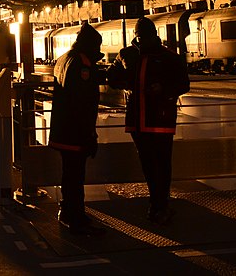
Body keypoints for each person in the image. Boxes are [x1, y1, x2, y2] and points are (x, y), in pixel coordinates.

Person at [106, 16, 190, 225]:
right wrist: (129, 83)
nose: (141, 40)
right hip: (143, 120)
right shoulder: (130, 55)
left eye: (144, 36)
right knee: (153, 164)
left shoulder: (167, 57)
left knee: (159, 164)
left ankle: (159, 205)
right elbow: (112, 78)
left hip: (155, 120)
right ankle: (159, 205)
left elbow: (183, 84)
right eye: (139, 37)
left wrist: (163, 88)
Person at [48, 22, 106, 236]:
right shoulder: (82, 63)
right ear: (90, 44)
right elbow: (83, 102)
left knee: (69, 175)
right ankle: (76, 217)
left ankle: (69, 212)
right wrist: (90, 135)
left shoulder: (63, 58)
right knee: (76, 176)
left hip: (63, 129)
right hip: (76, 132)